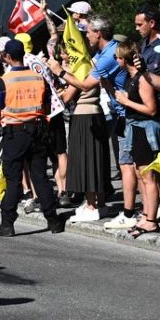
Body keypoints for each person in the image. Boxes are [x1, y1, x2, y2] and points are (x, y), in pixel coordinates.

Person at [0, 40, 63, 236]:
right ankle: (53, 220)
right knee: (40, 176)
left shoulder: (4, 80)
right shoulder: (38, 77)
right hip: (37, 131)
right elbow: (47, 107)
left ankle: (7, 223)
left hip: (15, 133)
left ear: (7, 57)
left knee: (13, 179)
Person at [50, 15, 114, 222]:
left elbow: (69, 95)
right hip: (95, 114)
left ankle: (92, 204)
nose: (62, 55)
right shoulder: (89, 63)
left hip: (84, 115)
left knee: (86, 161)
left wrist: (59, 73)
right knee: (96, 159)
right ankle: (99, 203)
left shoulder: (79, 67)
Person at [113, 36, 160, 238]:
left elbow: (151, 109)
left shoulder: (142, 79)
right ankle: (145, 215)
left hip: (145, 129)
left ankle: (151, 219)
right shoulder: (129, 78)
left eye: (118, 57)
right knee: (140, 174)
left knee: (148, 176)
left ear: (124, 58)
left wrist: (126, 102)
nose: (116, 61)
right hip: (134, 128)